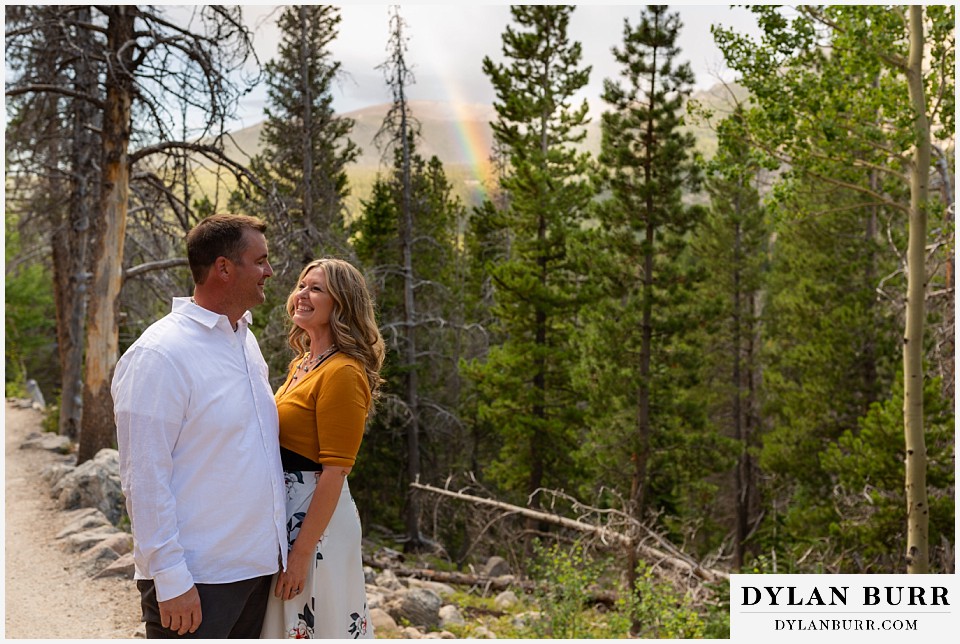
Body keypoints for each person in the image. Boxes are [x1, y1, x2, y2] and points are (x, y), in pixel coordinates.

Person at [113, 213, 288, 638]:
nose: (269, 271)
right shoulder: (160, 354)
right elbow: (144, 478)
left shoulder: (244, 338)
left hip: (257, 572)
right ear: (224, 268)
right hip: (198, 580)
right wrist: (170, 577)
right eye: (260, 261)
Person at [260, 258, 385, 639]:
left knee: (313, 624)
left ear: (342, 304)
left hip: (317, 528)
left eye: (316, 289)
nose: (302, 294)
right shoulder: (303, 363)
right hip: (292, 517)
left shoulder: (344, 372)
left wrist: (300, 554)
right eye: (301, 285)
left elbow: (335, 471)